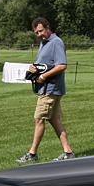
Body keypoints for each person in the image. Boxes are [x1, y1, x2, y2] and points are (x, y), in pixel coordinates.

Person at [16, 17, 73, 163]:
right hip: (45, 87)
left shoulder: (56, 42)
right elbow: (46, 64)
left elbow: (62, 65)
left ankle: (32, 153)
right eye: (36, 32)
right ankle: (68, 152)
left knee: (39, 118)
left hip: (51, 88)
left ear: (48, 28)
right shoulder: (44, 43)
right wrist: (34, 68)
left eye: (41, 31)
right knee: (54, 119)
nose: (39, 34)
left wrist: (43, 77)